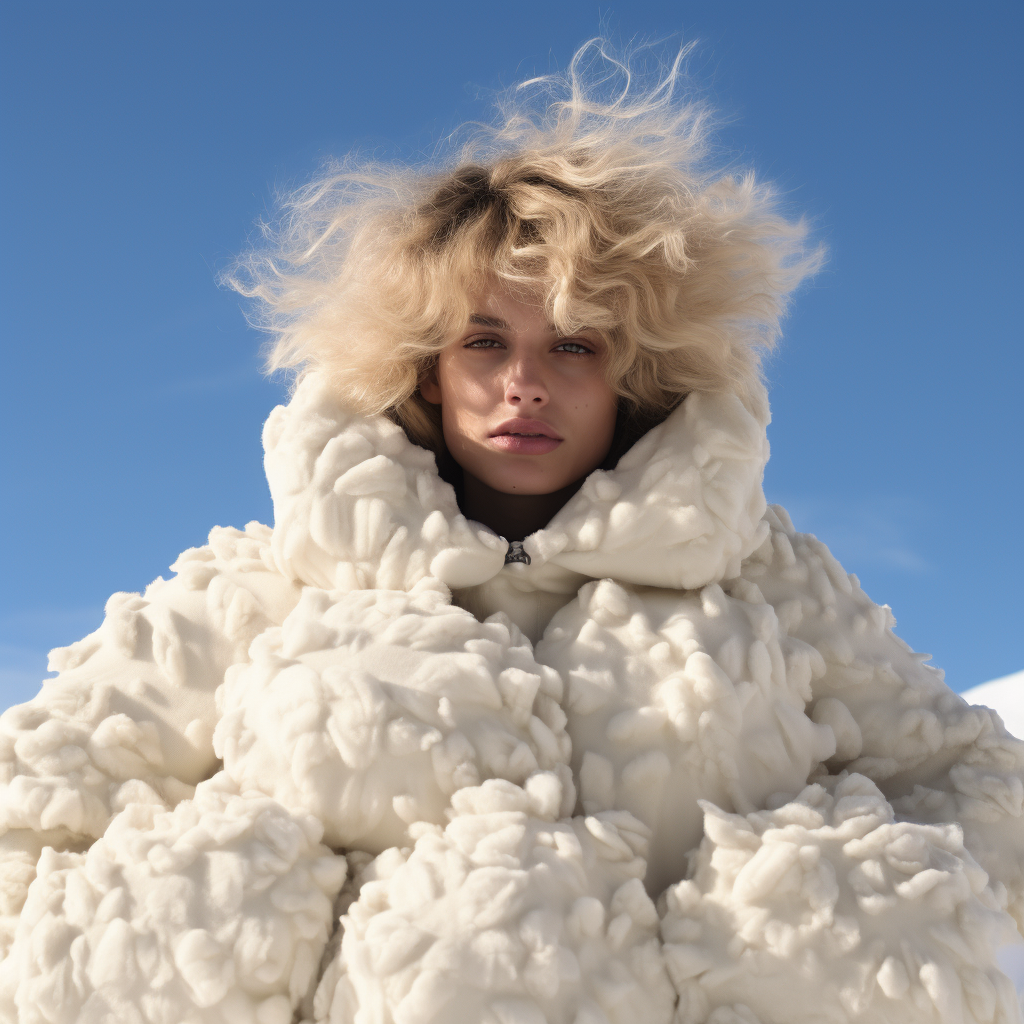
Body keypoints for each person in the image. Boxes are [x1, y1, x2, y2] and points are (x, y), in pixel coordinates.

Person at [1, 42, 1021, 1024]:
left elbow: (974, 790)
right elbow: (35, 795)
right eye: (484, 341)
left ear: (632, 369)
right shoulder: (273, 579)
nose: (523, 382)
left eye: (572, 344)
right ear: (422, 365)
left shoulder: (766, 584)